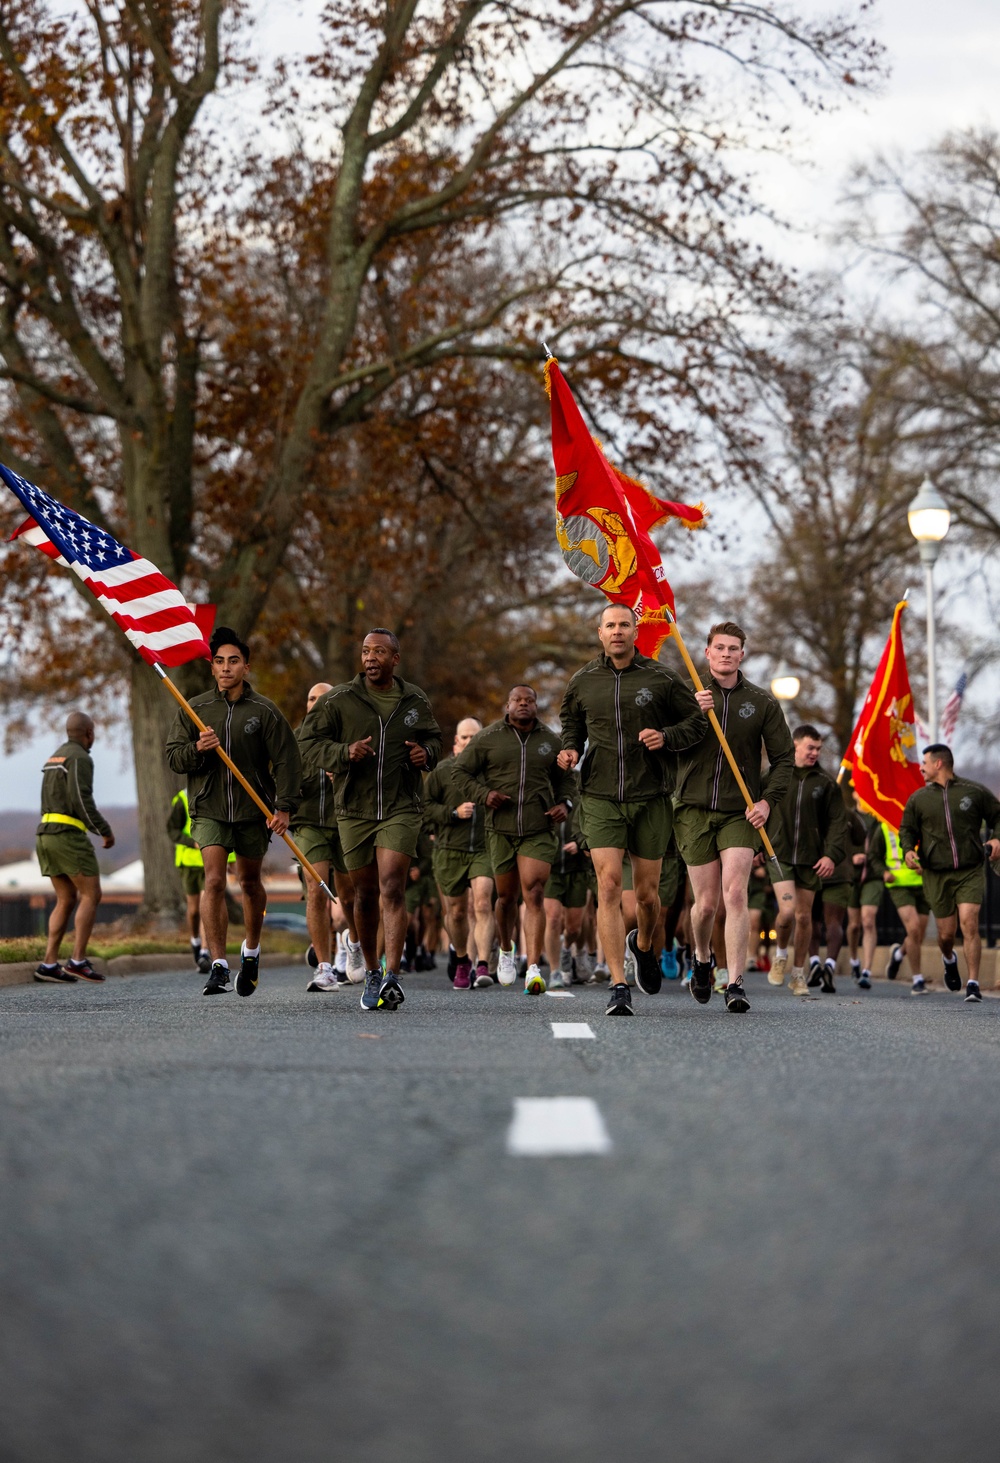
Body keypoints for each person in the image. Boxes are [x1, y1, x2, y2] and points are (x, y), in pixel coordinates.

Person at [557, 603, 706, 1016]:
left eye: (624, 624)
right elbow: (571, 724)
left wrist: (666, 736)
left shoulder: (660, 677)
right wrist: (570, 748)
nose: (617, 631)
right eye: (610, 625)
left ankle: (642, 948)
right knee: (607, 887)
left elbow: (696, 722)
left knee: (646, 895)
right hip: (600, 795)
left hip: (650, 795)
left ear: (635, 631)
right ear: (600, 632)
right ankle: (619, 985)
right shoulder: (583, 680)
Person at [298, 629, 441, 1012]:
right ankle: (373, 970)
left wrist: (425, 754)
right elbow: (307, 743)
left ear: (395, 658)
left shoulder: (414, 699)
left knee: (392, 885)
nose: (371, 657)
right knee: (364, 895)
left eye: (379, 651)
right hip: (354, 810)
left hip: (400, 806)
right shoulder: (339, 699)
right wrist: (344, 753)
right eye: (365, 651)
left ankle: (392, 976)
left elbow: (434, 740)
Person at [165, 626, 301, 997]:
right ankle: (219, 965)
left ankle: (252, 951)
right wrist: (198, 748)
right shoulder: (194, 709)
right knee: (213, 880)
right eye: (219, 661)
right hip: (208, 809)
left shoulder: (264, 711)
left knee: (251, 884)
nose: (226, 668)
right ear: (212, 668)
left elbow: (288, 760)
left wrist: (284, 807)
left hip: (252, 809)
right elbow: (174, 757)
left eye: (234, 661)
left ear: (246, 666)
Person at [673, 621, 793, 1013]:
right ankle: (704, 959)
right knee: (706, 904)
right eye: (719, 648)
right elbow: (663, 741)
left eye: (733, 648)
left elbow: (783, 759)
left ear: (743, 654)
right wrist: (693, 713)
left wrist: (767, 801)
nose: (726, 654)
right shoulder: (685, 694)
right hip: (692, 808)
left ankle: (736, 982)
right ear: (707, 653)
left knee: (735, 894)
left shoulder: (761, 702)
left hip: (739, 811)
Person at [455, 684, 574, 994]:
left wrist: (565, 804)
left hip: (538, 827)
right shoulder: (488, 738)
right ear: (507, 706)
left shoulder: (551, 741)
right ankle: (506, 949)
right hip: (501, 829)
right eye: (517, 700)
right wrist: (484, 795)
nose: (523, 705)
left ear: (536, 706)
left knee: (534, 893)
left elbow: (568, 781)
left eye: (529, 700)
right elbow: (460, 772)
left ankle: (533, 967)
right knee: (506, 899)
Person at [899, 743, 1000, 1002]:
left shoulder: (974, 792)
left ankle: (973, 983)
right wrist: (909, 851)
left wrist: (997, 838)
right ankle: (948, 958)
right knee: (946, 935)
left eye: (925, 762)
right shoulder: (918, 799)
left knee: (970, 922)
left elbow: (998, 816)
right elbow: (906, 831)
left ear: (938, 764)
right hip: (936, 874)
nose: (921, 767)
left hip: (970, 869)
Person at [765, 725, 847, 996]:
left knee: (803, 916)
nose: (815, 753)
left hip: (811, 859)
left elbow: (838, 823)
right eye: (810, 747)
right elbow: (757, 811)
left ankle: (799, 973)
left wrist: (831, 854)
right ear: (795, 745)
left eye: (818, 749)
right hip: (780, 854)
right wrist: (756, 846)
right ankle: (780, 956)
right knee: (787, 913)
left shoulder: (826, 784)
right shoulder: (776, 775)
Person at [34, 711, 115, 983]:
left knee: (66, 897)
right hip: (67, 836)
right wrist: (103, 830)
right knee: (91, 894)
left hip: (45, 834)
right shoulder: (80, 757)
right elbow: (82, 800)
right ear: (88, 734)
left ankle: (48, 964)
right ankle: (77, 961)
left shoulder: (55, 756)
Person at [294, 682, 364, 992]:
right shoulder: (294, 740)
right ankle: (324, 968)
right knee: (316, 888)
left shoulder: (352, 737)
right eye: (311, 698)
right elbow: (280, 778)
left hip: (346, 822)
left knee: (349, 896)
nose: (316, 702)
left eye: (323, 698)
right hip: (308, 822)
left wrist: (346, 775)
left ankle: (355, 942)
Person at [423, 717, 496, 990]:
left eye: (474, 737)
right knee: (455, 913)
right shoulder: (442, 772)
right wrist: (453, 813)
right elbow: (425, 808)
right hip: (449, 850)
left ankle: (483, 965)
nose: (469, 742)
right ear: (456, 742)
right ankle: (463, 959)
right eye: (464, 737)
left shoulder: (492, 771)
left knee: (481, 904)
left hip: (484, 849)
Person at [866, 817, 930, 995]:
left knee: (918, 935)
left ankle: (898, 954)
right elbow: (874, 856)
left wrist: (925, 866)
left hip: (924, 884)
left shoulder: (922, 823)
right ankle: (918, 979)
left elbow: (934, 851)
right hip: (899, 884)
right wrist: (884, 872)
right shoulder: (885, 826)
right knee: (914, 929)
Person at [166, 787, 213, 975]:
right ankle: (195, 940)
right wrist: (191, 842)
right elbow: (172, 830)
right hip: (187, 862)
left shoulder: (215, 791)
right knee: (193, 911)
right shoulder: (182, 798)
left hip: (209, 863)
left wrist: (231, 861)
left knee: (206, 906)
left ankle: (204, 952)